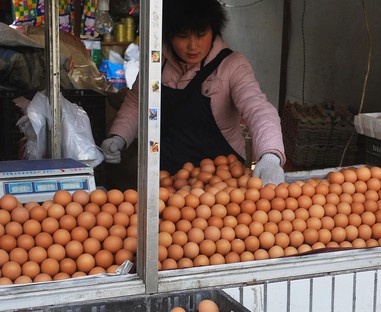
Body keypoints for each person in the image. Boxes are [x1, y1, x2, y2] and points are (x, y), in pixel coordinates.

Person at [101, 0, 285, 185]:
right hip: (166, 178)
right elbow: (137, 102)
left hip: (223, 182)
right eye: (182, 35)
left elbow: (258, 108)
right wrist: (118, 136)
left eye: (201, 34)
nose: (193, 46)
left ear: (213, 30)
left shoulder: (232, 65)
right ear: (168, 35)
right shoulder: (157, 63)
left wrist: (270, 155)